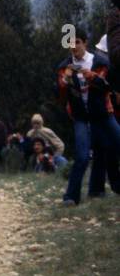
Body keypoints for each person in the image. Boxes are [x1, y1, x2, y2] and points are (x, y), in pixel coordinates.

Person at [56, 27, 120, 205]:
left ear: (85, 43)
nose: (74, 46)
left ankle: (99, 189)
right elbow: (60, 97)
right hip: (81, 117)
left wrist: (92, 77)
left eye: (77, 42)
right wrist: (65, 81)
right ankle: (70, 197)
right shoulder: (64, 67)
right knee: (82, 156)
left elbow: (108, 87)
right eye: (70, 43)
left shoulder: (99, 62)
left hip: (103, 114)